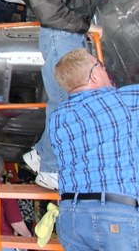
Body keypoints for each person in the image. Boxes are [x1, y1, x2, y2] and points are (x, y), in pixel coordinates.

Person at [18, 0, 137, 189]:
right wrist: (88, 27)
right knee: (63, 102)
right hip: (61, 36)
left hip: (71, 35)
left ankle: (40, 155)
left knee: (68, 100)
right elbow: (50, 12)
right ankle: (50, 169)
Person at [50, 48, 139, 250]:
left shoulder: (57, 117)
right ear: (94, 75)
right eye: (100, 65)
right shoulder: (124, 101)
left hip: (71, 217)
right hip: (114, 215)